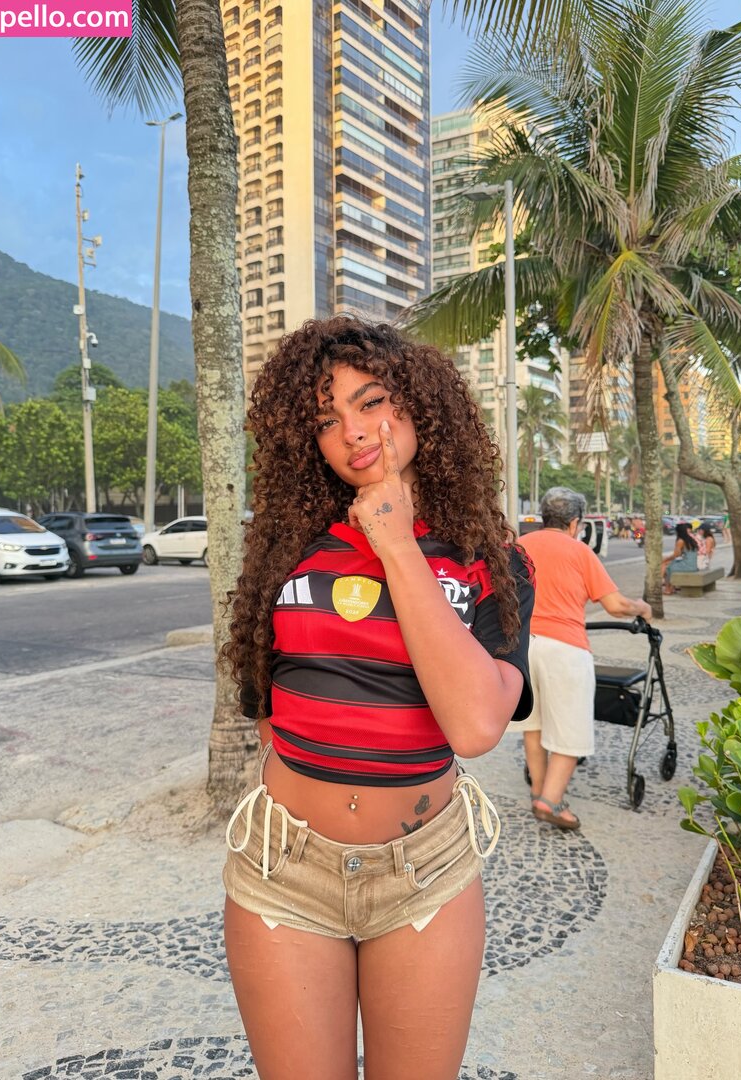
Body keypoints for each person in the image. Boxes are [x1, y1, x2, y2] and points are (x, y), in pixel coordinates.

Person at [220, 316, 535, 1080]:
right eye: (327, 420)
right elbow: (268, 709)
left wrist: (395, 542)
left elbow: (475, 725)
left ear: (420, 403)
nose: (354, 432)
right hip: (285, 868)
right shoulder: (289, 550)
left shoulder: (491, 561)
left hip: (425, 872)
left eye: (371, 402)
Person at [516, 487, 652, 830]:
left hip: (522, 646)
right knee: (570, 728)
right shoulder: (579, 551)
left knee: (532, 725)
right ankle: (550, 801)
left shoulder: (519, 546)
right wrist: (641, 607)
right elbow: (615, 605)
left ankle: (537, 792)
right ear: (575, 522)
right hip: (564, 649)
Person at [662, 521, 699, 594]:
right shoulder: (690, 539)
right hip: (693, 566)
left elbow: (676, 555)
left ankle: (668, 589)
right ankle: (671, 587)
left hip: (687, 566)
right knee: (668, 564)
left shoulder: (681, 541)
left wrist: (666, 559)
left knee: (667, 567)